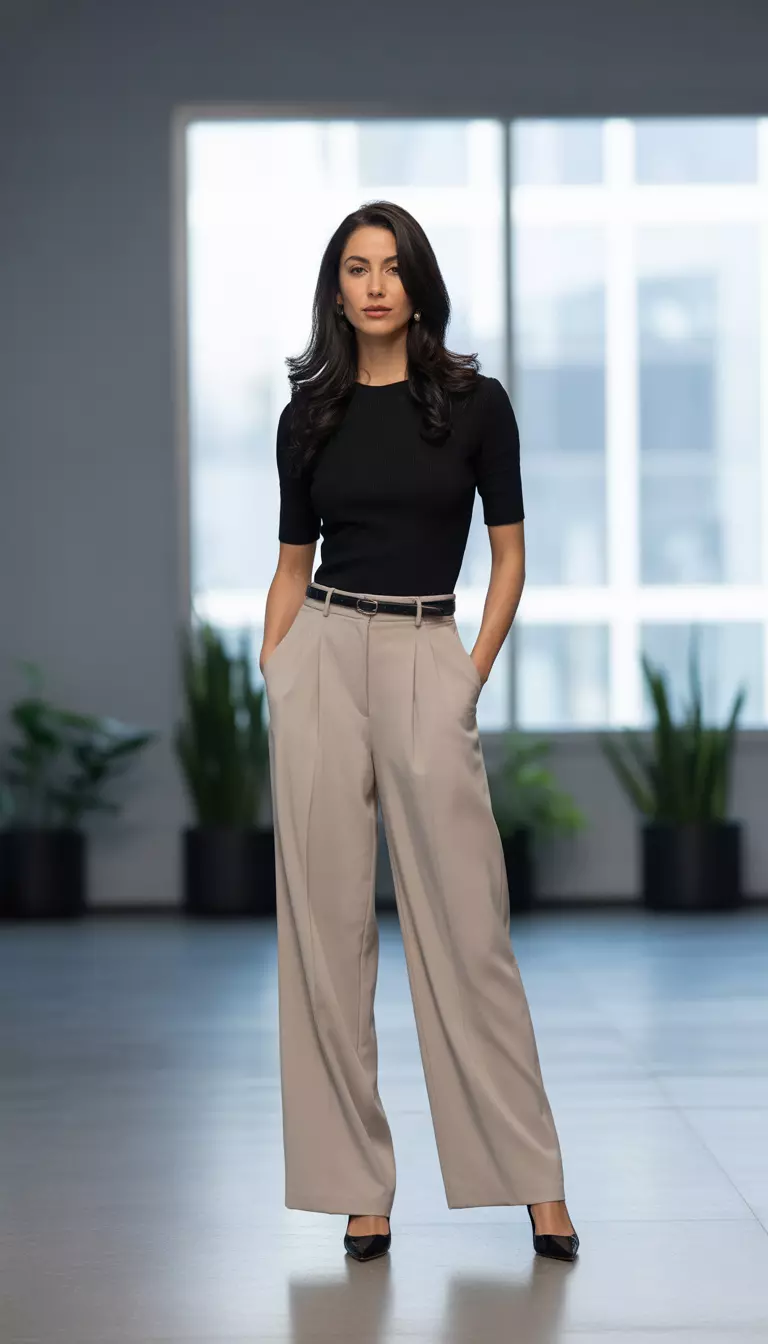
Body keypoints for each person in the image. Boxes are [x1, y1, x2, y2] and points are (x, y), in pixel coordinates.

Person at [259, 200, 579, 1265]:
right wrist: (278, 674)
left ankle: (534, 1181)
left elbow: (510, 557)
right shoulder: (308, 413)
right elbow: (291, 567)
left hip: (426, 654)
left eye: (392, 267)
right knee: (327, 934)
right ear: (337, 288)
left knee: (469, 928)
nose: (376, 285)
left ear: (418, 283)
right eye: (356, 268)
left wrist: (465, 678)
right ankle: (359, 1189)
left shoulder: (476, 406)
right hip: (322, 656)